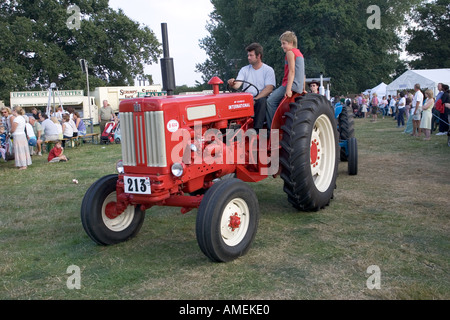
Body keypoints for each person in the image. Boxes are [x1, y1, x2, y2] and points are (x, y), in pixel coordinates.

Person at [227, 43, 276, 130]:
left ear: (258, 56)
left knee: (262, 101)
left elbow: (269, 89)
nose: (248, 57)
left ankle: (257, 130)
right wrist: (232, 83)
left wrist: (255, 99)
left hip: (260, 99)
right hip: (246, 99)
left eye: (251, 55)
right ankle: (232, 130)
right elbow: (237, 85)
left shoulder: (268, 70)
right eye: (248, 55)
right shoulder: (244, 69)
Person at [266, 31, 305, 128]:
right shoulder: (299, 53)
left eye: (284, 43)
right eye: (281, 43)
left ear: (291, 43)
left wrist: (288, 89)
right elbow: (302, 73)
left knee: (270, 101)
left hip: (290, 85)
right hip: (298, 86)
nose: (282, 46)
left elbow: (292, 71)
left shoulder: (290, 52)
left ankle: (273, 129)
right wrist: (303, 88)